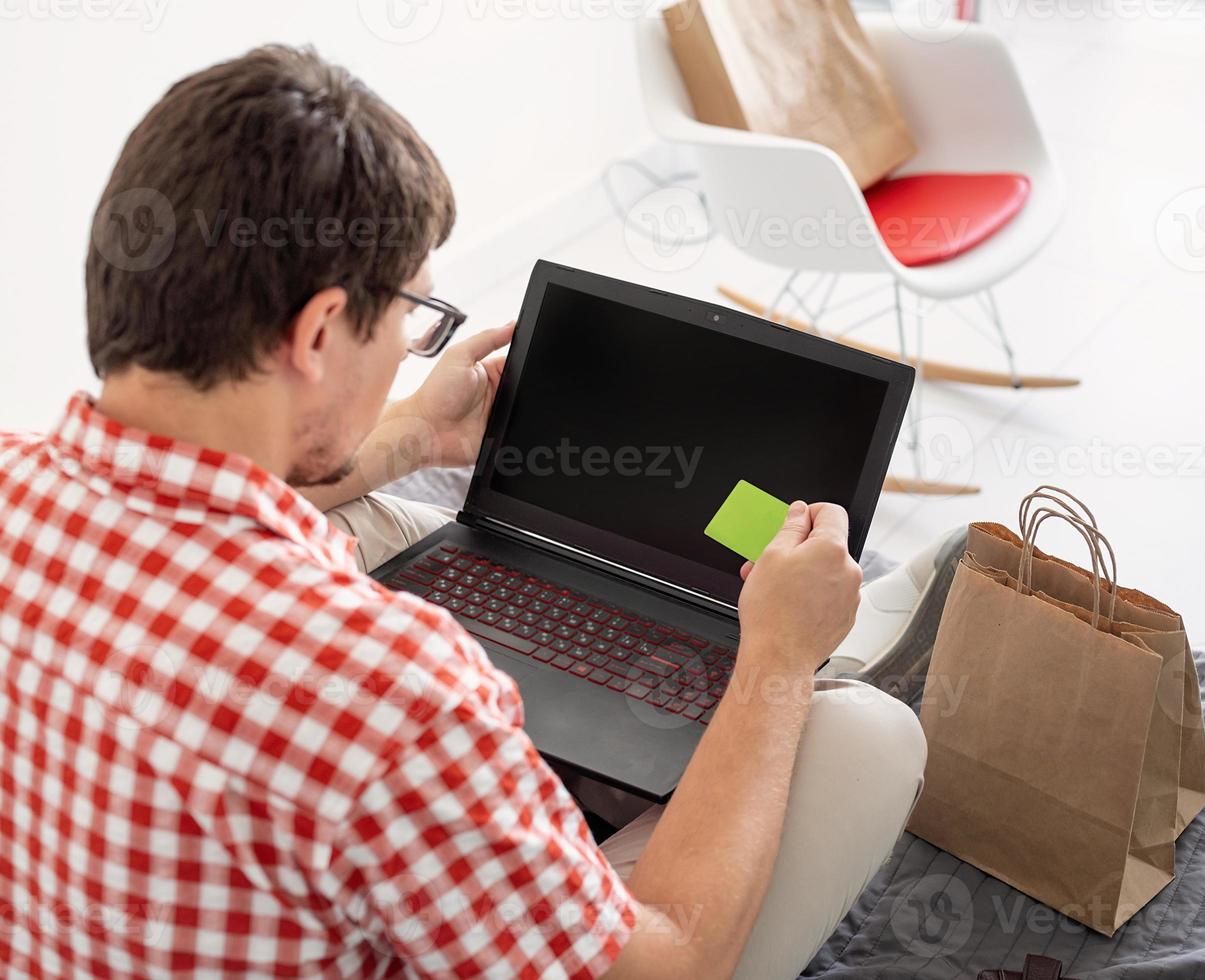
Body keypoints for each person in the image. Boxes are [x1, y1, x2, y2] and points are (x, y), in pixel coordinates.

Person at [0, 46, 938, 978]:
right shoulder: (396, 689)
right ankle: (827, 652)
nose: (412, 344)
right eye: (413, 313)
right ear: (320, 332)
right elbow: (670, 966)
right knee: (865, 734)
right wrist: (773, 657)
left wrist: (410, 439)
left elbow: (183, 499)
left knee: (380, 523)